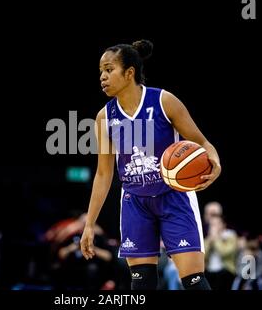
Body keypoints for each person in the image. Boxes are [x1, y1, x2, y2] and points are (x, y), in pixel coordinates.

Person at [80, 40, 221, 290]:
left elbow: (202, 142)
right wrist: (89, 224)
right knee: (141, 284)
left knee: (194, 281)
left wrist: (215, 162)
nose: (102, 76)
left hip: (174, 196)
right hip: (135, 201)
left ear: (129, 73)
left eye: (109, 69)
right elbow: (103, 174)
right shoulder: (104, 117)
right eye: (100, 71)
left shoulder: (164, 101)